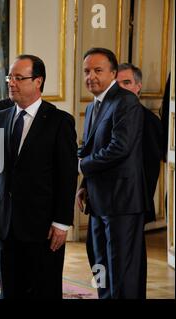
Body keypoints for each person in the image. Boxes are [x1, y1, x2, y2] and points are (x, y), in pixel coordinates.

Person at [0, 54, 78, 298]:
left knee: (44, 291)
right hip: (6, 223)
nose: (11, 83)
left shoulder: (60, 122)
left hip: (43, 227)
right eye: (10, 77)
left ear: (38, 82)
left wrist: (62, 222)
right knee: (10, 290)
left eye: (19, 78)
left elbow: (67, 176)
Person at [76, 48, 147, 299]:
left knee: (121, 270)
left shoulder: (125, 101)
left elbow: (119, 148)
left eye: (98, 70)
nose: (91, 76)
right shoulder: (95, 104)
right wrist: (85, 183)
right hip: (98, 199)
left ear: (113, 73)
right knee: (100, 264)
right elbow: (91, 150)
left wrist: (83, 166)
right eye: (86, 71)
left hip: (122, 201)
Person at [117, 63, 164, 225]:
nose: (121, 88)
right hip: (108, 201)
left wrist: (140, 207)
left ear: (138, 86)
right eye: (117, 84)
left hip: (133, 204)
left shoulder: (149, 121)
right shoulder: (107, 113)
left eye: (126, 83)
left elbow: (150, 168)